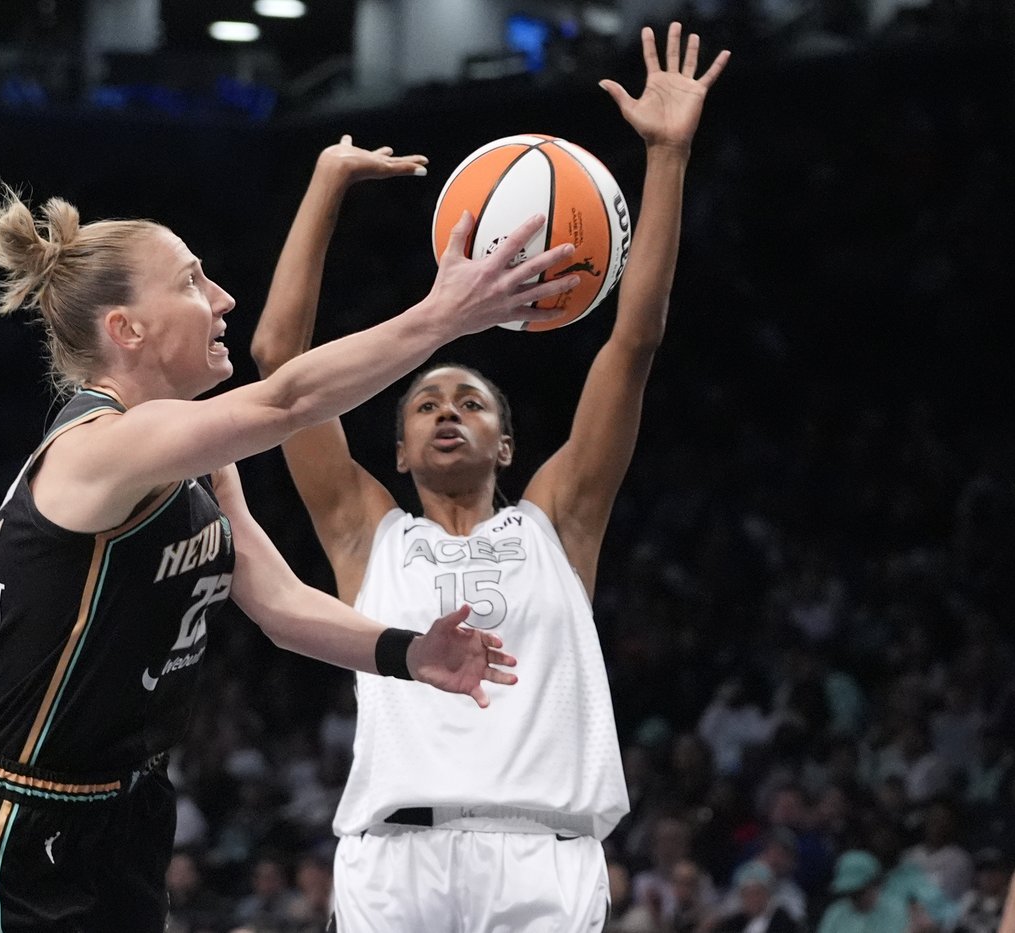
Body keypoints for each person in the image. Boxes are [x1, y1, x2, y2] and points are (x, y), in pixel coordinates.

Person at [0, 148, 586, 932]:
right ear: (125, 329)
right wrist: (443, 315)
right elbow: (286, 399)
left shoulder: (198, 461)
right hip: (20, 826)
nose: (224, 298)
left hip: (123, 817)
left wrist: (410, 652)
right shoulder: (98, 448)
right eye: (194, 282)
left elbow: (277, 603)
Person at [249, 22, 728, 931]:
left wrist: (666, 157)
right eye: (424, 404)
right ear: (394, 452)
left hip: (543, 857)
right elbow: (280, 359)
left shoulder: (561, 520)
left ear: (507, 444)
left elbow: (634, 342)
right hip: (396, 859)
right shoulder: (366, 530)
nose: (444, 412)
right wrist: (324, 185)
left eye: (468, 401)